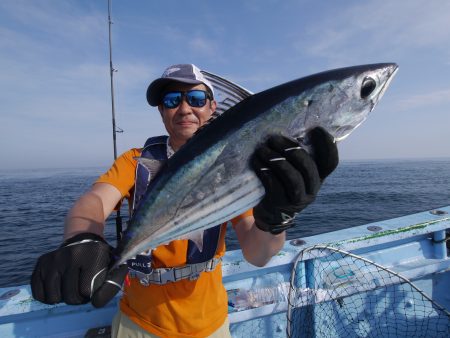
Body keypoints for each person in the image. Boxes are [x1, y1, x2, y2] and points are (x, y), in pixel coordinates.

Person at [31, 64, 338, 337]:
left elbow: (257, 255)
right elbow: (94, 201)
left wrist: (277, 217)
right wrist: (80, 237)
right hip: (137, 325)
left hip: (210, 326)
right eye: (171, 100)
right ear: (162, 111)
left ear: (212, 107)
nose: (184, 108)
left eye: (196, 99)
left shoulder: (234, 169)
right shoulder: (136, 162)